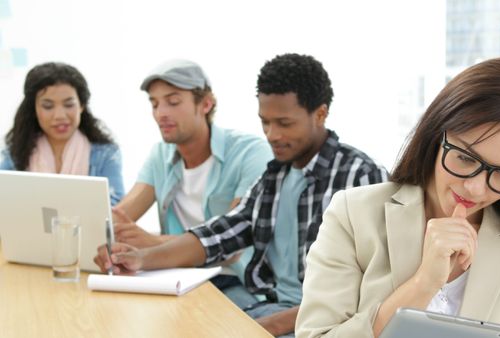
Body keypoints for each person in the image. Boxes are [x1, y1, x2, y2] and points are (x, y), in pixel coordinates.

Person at [94, 53, 388, 337]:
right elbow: (218, 234)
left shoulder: (361, 177)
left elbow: (367, 294)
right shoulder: (274, 176)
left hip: (320, 325)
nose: (272, 135)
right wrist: (141, 259)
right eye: (265, 122)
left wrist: (264, 327)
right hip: (264, 307)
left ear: (320, 114)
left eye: (284, 123)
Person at [295, 57, 500, 337]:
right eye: (465, 158)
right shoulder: (355, 215)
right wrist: (423, 283)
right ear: (435, 135)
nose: (476, 188)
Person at [111, 59, 272, 291]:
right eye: (154, 104)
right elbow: (120, 217)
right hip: (175, 276)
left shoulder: (251, 153)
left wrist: (154, 245)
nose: (160, 113)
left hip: (233, 281)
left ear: (206, 104)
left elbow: (231, 246)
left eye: (173, 102)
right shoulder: (160, 155)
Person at [0, 62, 124, 205]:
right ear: (34, 109)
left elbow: (116, 207)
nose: (59, 115)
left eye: (69, 105)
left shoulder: (106, 154)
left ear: (82, 105)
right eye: (48, 106)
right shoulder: (15, 154)